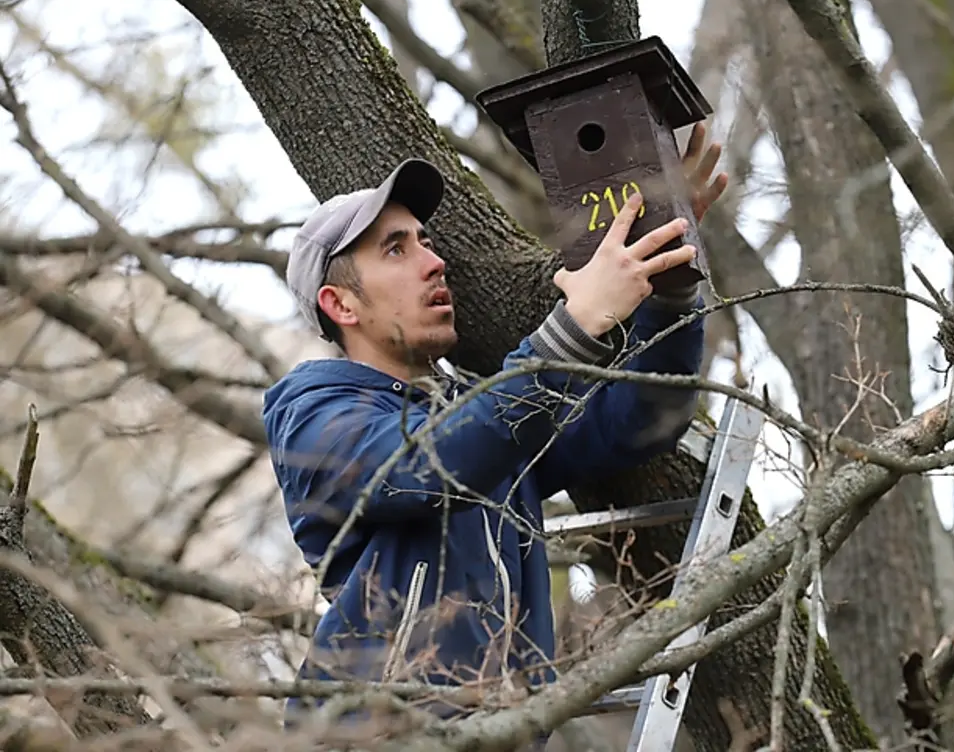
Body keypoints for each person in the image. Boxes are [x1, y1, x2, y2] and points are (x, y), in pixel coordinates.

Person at [262, 125, 728, 742]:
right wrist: (576, 326)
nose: (435, 261)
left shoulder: (482, 416)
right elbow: (417, 467)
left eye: (426, 242)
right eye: (396, 249)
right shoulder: (311, 409)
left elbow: (637, 422)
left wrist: (668, 283)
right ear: (341, 306)